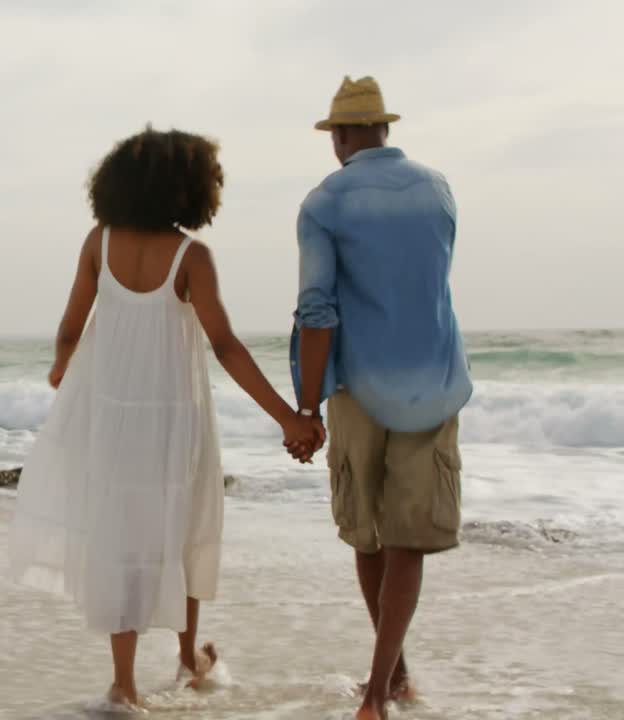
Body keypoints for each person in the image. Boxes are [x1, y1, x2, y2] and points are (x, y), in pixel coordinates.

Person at [9, 126, 323, 709]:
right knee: (186, 527)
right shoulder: (190, 256)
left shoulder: (98, 243)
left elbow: (71, 326)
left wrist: (61, 368)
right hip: (175, 417)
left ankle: (123, 684)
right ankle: (187, 656)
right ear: (189, 190)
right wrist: (288, 417)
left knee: (121, 537)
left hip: (111, 413)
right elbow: (225, 345)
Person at [292, 76, 473, 720]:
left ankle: (381, 689)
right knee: (407, 540)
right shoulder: (438, 189)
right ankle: (389, 681)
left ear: (339, 136)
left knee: (368, 536)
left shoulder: (325, 202)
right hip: (435, 380)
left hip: (358, 390)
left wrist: (306, 410)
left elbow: (318, 312)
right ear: (385, 129)